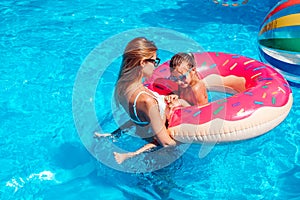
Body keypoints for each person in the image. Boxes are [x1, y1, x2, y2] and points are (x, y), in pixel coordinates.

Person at [95, 37, 186, 164]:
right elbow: (166, 143)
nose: (156, 66)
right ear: (143, 62)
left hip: (146, 139)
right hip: (162, 154)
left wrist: (165, 99)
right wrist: (185, 139)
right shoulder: (147, 101)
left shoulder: (122, 87)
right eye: (154, 61)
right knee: (165, 183)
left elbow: (139, 119)